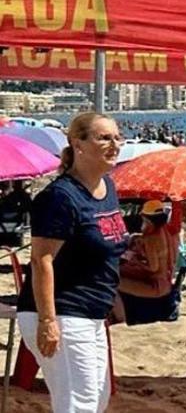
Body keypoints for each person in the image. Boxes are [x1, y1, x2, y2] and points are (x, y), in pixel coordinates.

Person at [16, 112, 129, 412]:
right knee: (78, 404)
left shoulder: (108, 189)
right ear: (78, 144)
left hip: (92, 313)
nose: (114, 144)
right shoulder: (60, 197)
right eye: (104, 137)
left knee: (98, 398)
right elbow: (41, 260)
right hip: (62, 312)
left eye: (117, 137)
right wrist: (48, 321)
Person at [117, 200, 177, 323]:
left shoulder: (151, 238)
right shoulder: (168, 231)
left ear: (147, 220)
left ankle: (120, 318)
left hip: (155, 286)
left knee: (112, 282)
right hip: (167, 281)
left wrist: (135, 261)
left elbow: (153, 267)